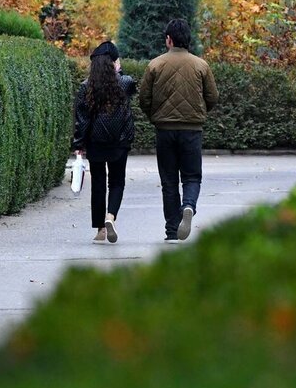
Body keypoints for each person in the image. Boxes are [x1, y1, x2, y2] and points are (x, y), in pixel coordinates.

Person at [139, 19, 219, 241]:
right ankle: (189, 206)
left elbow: (144, 98)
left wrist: (155, 116)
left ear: (169, 39)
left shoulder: (155, 65)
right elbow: (212, 97)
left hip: (164, 130)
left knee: (169, 181)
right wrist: (199, 113)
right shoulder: (201, 65)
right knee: (192, 176)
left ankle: (172, 230)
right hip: (192, 130)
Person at [72, 41, 137, 244]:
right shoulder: (124, 83)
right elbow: (133, 87)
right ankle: (111, 217)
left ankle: (100, 229)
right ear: (114, 63)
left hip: (95, 142)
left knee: (98, 184)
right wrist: (120, 71)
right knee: (117, 182)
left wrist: (78, 146)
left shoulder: (86, 87)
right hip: (119, 142)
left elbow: (81, 120)